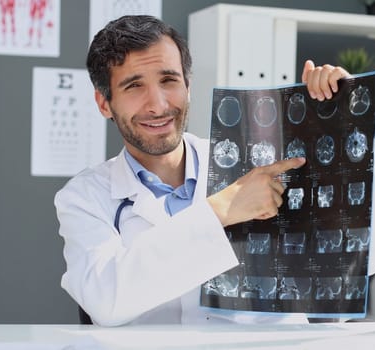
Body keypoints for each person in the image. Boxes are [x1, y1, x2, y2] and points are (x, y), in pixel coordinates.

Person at [54, 14, 351, 327]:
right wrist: (222, 208)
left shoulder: (258, 161)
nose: (158, 105)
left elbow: (355, 259)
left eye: (169, 81)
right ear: (104, 103)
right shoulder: (84, 197)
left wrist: (341, 122)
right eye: (134, 86)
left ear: (188, 85)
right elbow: (105, 301)